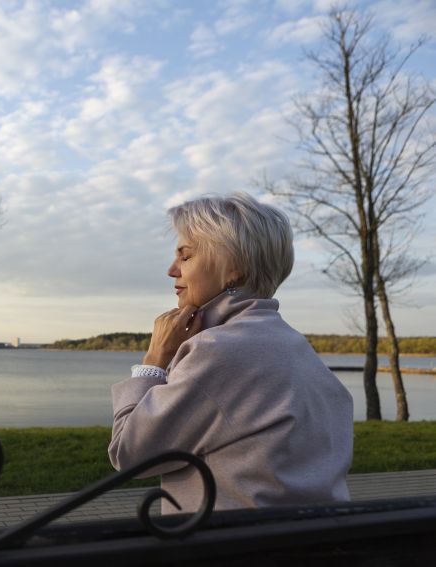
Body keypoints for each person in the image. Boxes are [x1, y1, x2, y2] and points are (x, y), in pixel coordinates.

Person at [108, 192, 353, 514]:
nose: (172, 270)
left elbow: (130, 454)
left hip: (230, 547)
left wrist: (154, 362)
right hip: (312, 542)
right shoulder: (295, 347)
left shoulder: (219, 351)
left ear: (234, 266)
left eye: (185, 256)